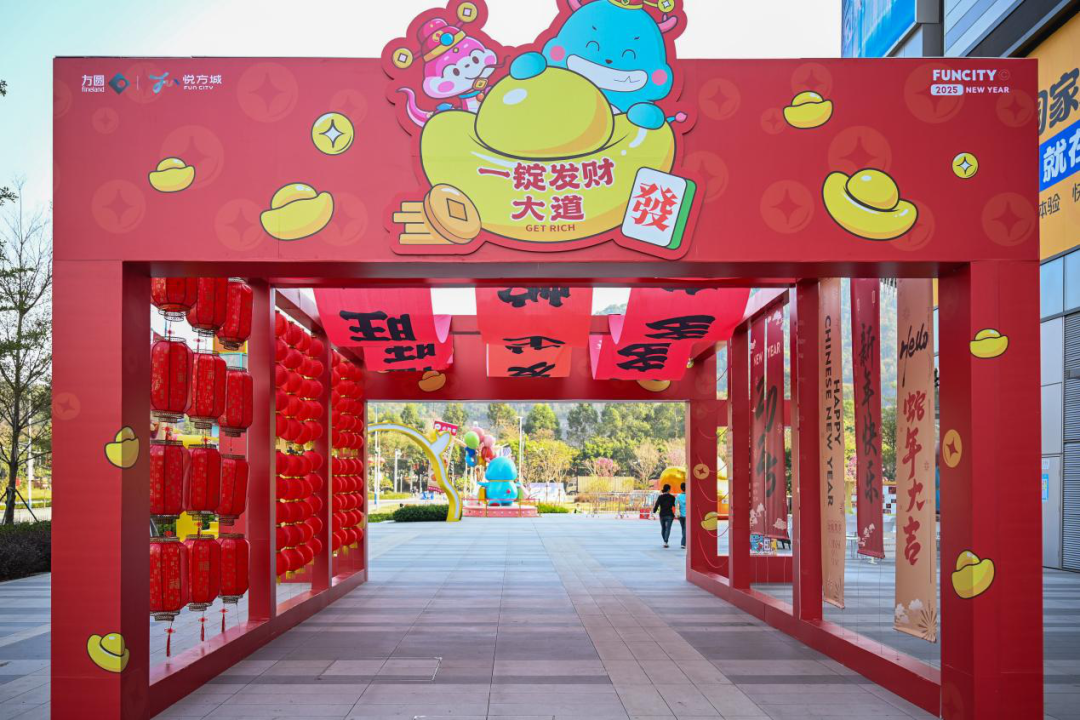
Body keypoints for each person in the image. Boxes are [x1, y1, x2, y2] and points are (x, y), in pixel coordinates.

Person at [652, 484, 677, 548]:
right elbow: (675, 505)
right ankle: (666, 541)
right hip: (670, 515)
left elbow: (657, 505)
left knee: (663, 528)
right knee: (668, 528)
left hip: (662, 514)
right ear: (668, 489)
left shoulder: (660, 497)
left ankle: (665, 541)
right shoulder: (672, 497)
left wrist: (654, 511)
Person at [676, 482, 687, 549]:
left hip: (680, 515)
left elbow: (676, 505)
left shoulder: (678, 496)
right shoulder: (689, 496)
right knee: (685, 529)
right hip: (687, 515)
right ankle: (683, 543)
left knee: (683, 528)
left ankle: (684, 542)